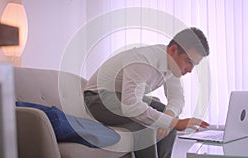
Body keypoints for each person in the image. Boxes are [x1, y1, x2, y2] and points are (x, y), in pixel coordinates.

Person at [84, 27, 210, 158]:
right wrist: (172, 122)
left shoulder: (173, 66)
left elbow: (177, 99)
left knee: (170, 121)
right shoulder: (143, 60)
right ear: (173, 50)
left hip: (121, 98)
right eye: (188, 61)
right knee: (148, 126)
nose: (190, 70)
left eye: (194, 64)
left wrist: (169, 117)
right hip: (97, 99)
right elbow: (131, 106)